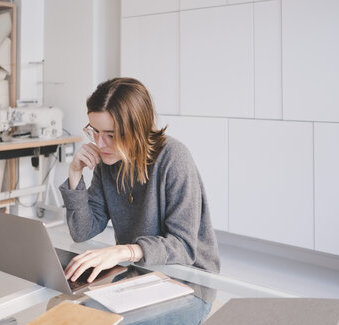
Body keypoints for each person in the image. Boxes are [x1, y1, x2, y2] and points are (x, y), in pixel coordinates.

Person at [59, 77, 220, 285]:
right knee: (79, 311)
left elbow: (184, 247)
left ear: (137, 130)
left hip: (188, 279)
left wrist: (124, 251)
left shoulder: (174, 158)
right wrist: (75, 174)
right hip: (140, 272)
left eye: (110, 135)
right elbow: (82, 231)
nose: (100, 143)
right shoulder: (108, 161)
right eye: (95, 131)